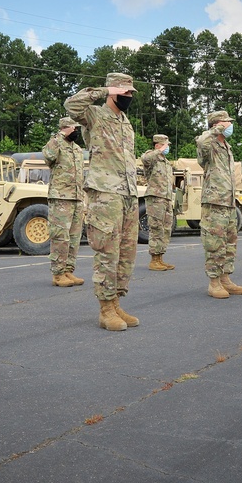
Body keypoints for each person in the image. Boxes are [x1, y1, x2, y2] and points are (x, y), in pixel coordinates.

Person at [65, 73, 139, 331]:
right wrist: (103, 90)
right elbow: (71, 106)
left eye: (131, 93)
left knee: (127, 253)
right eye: (125, 92)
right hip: (105, 192)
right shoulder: (94, 115)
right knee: (108, 251)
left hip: (128, 194)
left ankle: (117, 302)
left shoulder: (125, 121)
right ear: (114, 91)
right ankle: (105, 309)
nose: (129, 96)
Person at [197, 111, 242, 299]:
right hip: (214, 201)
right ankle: (214, 282)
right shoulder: (209, 144)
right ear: (217, 124)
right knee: (214, 243)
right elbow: (201, 142)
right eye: (227, 122)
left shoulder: (227, 146)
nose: (230, 125)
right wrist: (216, 129)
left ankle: (225, 279)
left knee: (229, 243)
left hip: (228, 201)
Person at [43, 116, 86, 288]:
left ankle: (68, 270)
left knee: (74, 237)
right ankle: (58, 273)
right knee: (60, 236)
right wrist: (59, 136)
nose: (77, 131)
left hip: (76, 197)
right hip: (61, 197)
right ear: (65, 128)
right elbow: (48, 158)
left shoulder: (76, 149)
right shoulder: (55, 143)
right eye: (74, 128)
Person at [141, 134, 176, 271]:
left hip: (166, 198)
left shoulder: (165, 162)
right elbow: (145, 159)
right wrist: (159, 150)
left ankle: (160, 257)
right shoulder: (151, 157)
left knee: (166, 228)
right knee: (156, 227)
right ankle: (154, 259)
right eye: (166, 145)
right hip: (155, 197)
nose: (168, 148)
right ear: (158, 145)